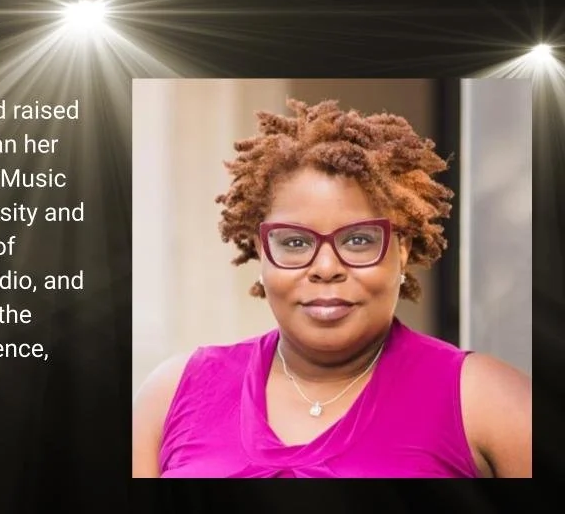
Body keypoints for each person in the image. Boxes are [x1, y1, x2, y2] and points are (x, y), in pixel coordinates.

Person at [132, 99, 532, 478]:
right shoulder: (172, 394)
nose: (326, 268)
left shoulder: (486, 400)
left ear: (403, 250)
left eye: (358, 240)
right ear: (261, 251)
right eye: (294, 242)